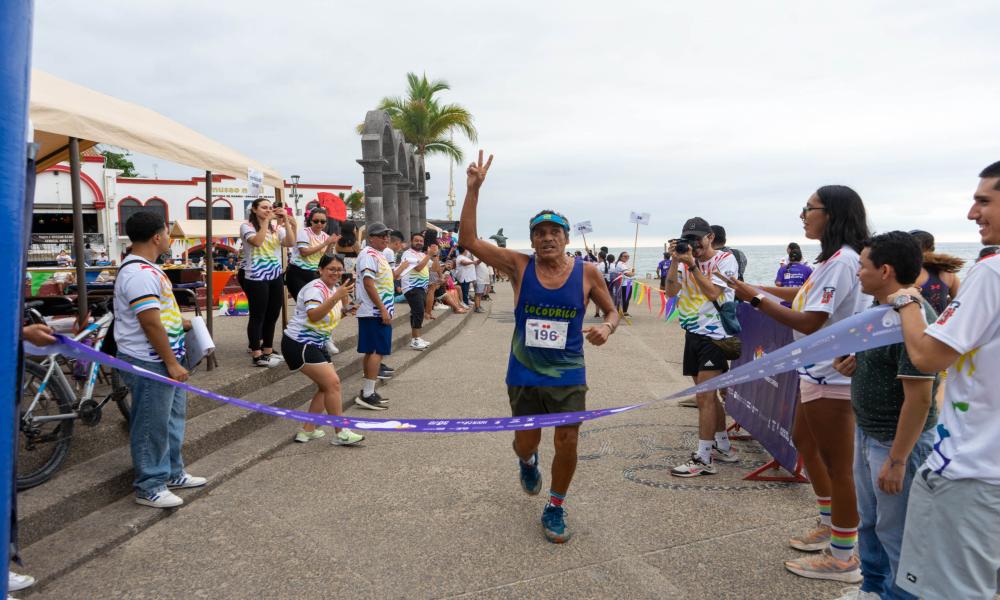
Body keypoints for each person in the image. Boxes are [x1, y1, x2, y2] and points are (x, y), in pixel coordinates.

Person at [459, 150, 619, 544]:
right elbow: (468, 240)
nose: (547, 238)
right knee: (525, 441)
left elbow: (612, 312)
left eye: (555, 232)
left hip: (568, 373)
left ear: (565, 237)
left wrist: (608, 329)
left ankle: (556, 506)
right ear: (531, 239)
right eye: (539, 233)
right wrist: (473, 191)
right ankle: (527, 461)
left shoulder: (588, 272)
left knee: (568, 440)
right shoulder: (519, 265)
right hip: (525, 372)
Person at [727, 185, 870, 582]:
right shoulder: (831, 260)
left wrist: (754, 301)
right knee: (805, 442)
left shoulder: (844, 261)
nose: (804, 215)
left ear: (834, 213)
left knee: (839, 467)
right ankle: (830, 521)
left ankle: (844, 558)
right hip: (814, 369)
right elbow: (804, 295)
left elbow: (809, 320)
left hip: (833, 374)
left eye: (810, 208)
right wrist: (756, 289)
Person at [886, 161, 1000, 600]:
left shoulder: (990, 273)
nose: (972, 213)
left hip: (972, 472)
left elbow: (928, 355)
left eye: (984, 201)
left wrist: (906, 303)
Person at [832, 231, 939, 600]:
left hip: (895, 443)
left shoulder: (915, 318)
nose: (858, 272)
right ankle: (872, 589)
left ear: (886, 270)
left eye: (863, 266)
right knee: (871, 523)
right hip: (868, 434)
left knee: (898, 534)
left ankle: (898, 594)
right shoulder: (877, 312)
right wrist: (851, 364)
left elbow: (920, 398)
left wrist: (897, 460)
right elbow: (873, 363)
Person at [114, 211, 206, 509]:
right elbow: (150, 322)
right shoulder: (139, 273)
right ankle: (149, 484)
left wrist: (183, 325)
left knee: (171, 418)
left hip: (165, 358)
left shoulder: (148, 269)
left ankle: (172, 471)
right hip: (151, 361)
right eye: (167, 233)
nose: (169, 238)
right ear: (157, 236)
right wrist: (171, 362)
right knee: (152, 422)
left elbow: (161, 315)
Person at [663, 217, 740, 477]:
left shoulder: (725, 260)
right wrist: (675, 261)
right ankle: (724, 447)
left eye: (698, 238)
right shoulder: (684, 260)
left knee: (704, 396)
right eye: (688, 239)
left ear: (710, 237)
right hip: (693, 332)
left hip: (715, 335)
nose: (694, 244)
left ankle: (704, 458)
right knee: (709, 394)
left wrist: (693, 265)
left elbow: (714, 294)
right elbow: (671, 293)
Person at [281, 254, 364, 446]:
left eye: (338, 269)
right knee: (333, 384)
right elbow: (314, 315)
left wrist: (345, 310)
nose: (335, 273)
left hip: (317, 343)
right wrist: (337, 298)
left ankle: (308, 430)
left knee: (325, 387)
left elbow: (327, 317)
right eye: (331, 269)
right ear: (320, 270)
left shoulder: (333, 289)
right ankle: (341, 432)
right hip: (299, 344)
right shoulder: (315, 289)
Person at [240, 197, 296, 367]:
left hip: (275, 275)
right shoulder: (246, 226)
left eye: (270, 207)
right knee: (258, 315)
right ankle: (257, 353)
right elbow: (257, 242)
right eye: (264, 208)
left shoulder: (276, 228)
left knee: (273, 314)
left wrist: (286, 221)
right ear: (254, 210)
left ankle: (268, 350)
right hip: (256, 276)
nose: (268, 210)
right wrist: (266, 222)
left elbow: (290, 242)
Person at [353, 222, 395, 411]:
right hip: (374, 311)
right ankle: (368, 393)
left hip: (375, 311)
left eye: (387, 235)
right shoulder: (369, 255)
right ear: (371, 237)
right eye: (381, 235)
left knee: (371, 351)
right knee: (377, 351)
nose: (386, 238)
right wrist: (382, 309)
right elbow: (369, 284)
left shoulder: (378, 255)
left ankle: (368, 391)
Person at [286, 207, 339, 300]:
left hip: (315, 274)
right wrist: (325, 243)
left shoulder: (325, 236)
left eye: (323, 221)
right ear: (310, 221)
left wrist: (331, 244)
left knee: (314, 302)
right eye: (316, 221)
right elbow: (304, 252)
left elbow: (324, 257)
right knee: (303, 302)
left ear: (326, 223)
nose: (319, 224)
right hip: (298, 272)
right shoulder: (304, 232)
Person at [907, 230, 962, 315]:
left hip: (917, 325)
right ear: (933, 247)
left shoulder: (909, 272)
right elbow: (961, 302)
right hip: (941, 326)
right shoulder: (948, 272)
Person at [399, 233, 435, 351]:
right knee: (419, 311)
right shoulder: (408, 253)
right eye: (416, 240)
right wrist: (429, 255)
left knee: (416, 312)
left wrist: (434, 254)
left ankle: (416, 338)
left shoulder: (422, 254)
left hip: (421, 287)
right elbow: (418, 268)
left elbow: (432, 267)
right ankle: (415, 339)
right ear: (411, 241)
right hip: (411, 286)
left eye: (421, 241)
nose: (419, 242)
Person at [613, 252, 634, 316]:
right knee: (626, 298)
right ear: (621, 256)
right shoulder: (621, 264)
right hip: (625, 284)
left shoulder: (621, 263)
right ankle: (624, 312)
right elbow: (628, 274)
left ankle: (621, 311)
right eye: (625, 256)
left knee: (623, 298)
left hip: (625, 283)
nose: (627, 257)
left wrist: (631, 272)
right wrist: (633, 273)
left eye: (628, 256)